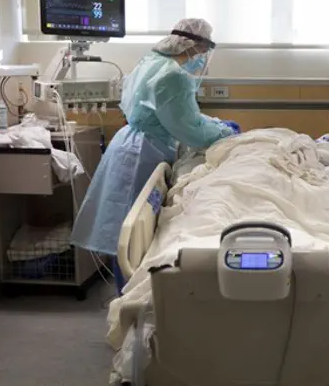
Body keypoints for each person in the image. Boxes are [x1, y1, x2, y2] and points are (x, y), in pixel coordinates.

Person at [70, 18, 239, 289]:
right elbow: (189, 130)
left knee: (126, 230)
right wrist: (223, 132)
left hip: (129, 143)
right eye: (204, 50)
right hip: (144, 154)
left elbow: (175, 116)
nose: (204, 58)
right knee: (134, 233)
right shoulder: (174, 76)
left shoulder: (149, 63)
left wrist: (211, 124)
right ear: (196, 47)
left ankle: (124, 292)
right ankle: (131, 294)